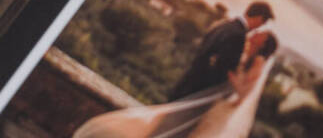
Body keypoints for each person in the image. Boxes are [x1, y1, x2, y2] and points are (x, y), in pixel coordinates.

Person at [71, 29, 280, 138]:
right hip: (219, 106)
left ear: (264, 44)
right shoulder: (248, 55)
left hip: (224, 110)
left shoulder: (259, 63)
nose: (256, 35)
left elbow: (244, 94)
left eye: (261, 36)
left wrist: (231, 77)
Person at [168, 1, 275, 100]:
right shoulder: (238, 35)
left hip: (186, 81)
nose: (259, 27)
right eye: (263, 22)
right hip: (195, 91)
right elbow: (222, 69)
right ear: (259, 18)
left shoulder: (225, 24)